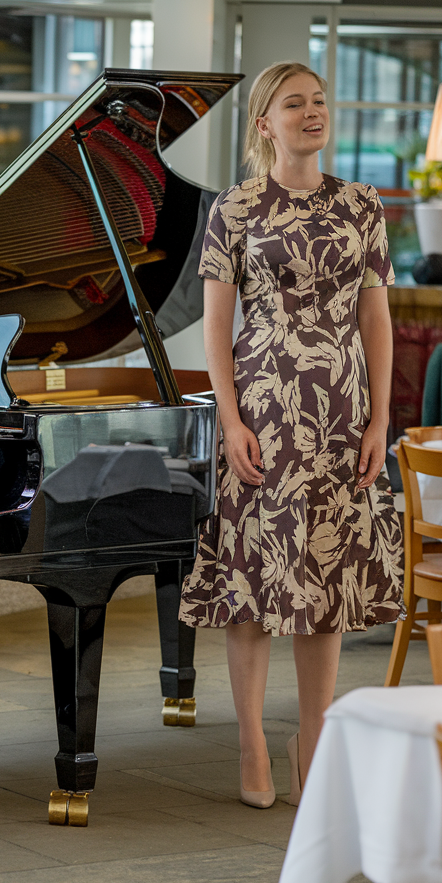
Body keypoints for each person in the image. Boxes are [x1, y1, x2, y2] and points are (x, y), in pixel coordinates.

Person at [178, 62, 403, 809]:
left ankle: (313, 740)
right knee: (254, 584)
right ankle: (249, 740)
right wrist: (230, 417)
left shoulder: (363, 205)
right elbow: (216, 327)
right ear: (264, 124)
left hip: (341, 415)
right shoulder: (235, 209)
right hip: (264, 417)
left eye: (320, 102)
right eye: (294, 104)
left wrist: (379, 418)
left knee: (328, 584)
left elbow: (376, 318)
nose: (312, 113)